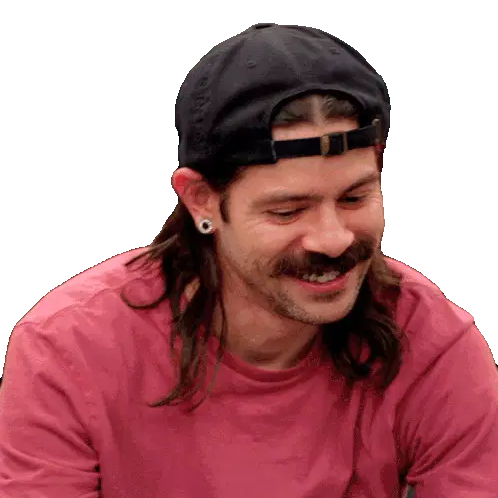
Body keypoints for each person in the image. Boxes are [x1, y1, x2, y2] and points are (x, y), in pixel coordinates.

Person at [0, 22, 496, 498]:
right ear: (201, 201)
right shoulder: (69, 350)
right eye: (287, 211)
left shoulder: (431, 342)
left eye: (354, 198)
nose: (332, 239)